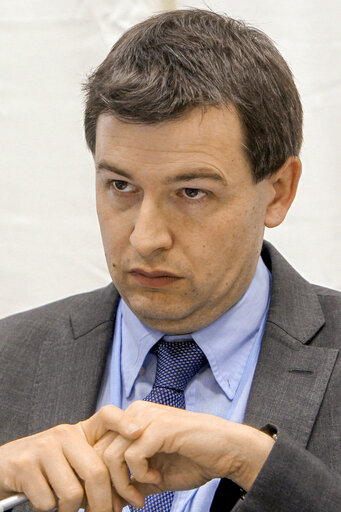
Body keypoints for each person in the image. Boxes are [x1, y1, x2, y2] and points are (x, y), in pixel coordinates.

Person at [0, 8, 340, 512]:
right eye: (121, 186)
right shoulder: (9, 358)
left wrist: (254, 462)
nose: (146, 237)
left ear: (278, 192)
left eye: (191, 192)